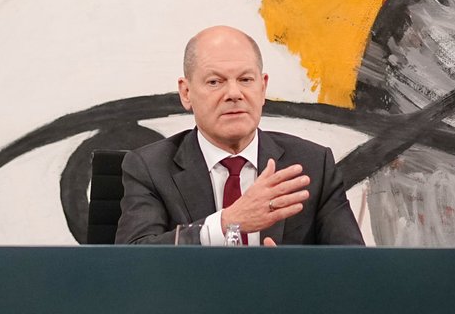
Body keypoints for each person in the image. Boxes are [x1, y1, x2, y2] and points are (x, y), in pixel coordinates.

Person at [116, 26, 364, 246]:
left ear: (263, 87)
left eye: (246, 79)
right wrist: (227, 223)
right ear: (186, 92)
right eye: (215, 82)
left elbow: (354, 269)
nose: (234, 93)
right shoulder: (150, 168)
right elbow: (134, 258)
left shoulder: (312, 164)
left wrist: (293, 274)